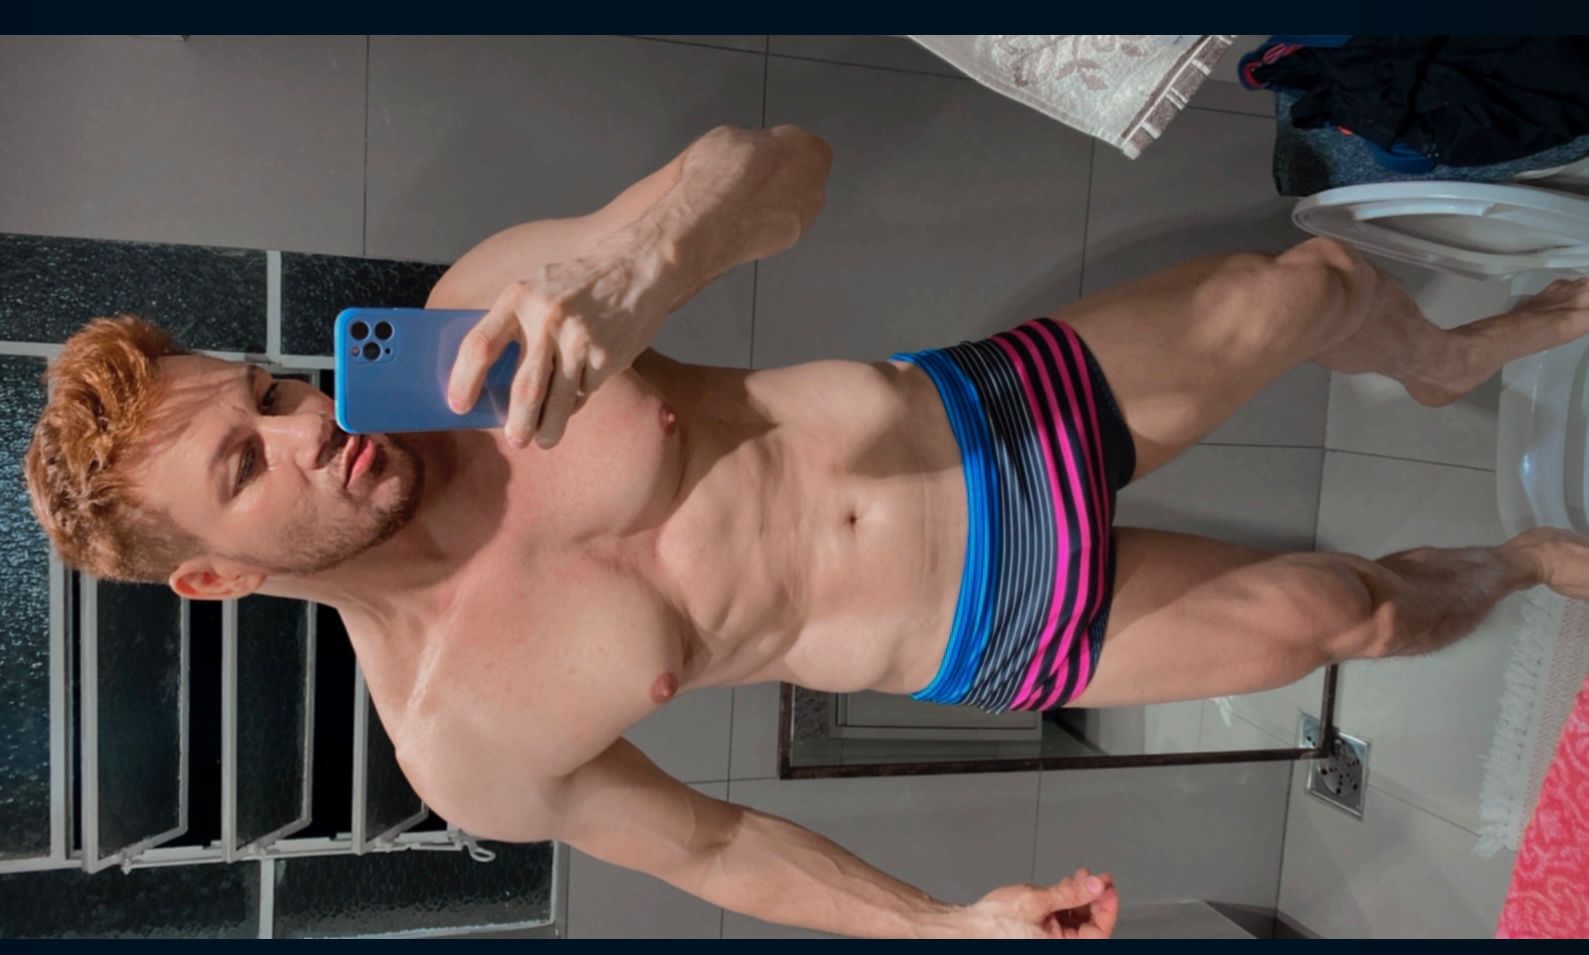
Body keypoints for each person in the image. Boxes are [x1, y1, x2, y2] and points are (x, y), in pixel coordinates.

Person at [24, 123, 1589, 939]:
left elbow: (780, 173)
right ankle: (1520, 565)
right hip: (986, 625)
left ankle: (1443, 357)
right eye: (249, 460)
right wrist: (944, 927)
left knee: (1303, 289)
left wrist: (641, 260)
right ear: (217, 576)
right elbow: (715, 848)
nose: (310, 424)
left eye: (272, 390)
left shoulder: (475, 328)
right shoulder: (461, 743)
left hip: (982, 419)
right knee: (1343, 620)